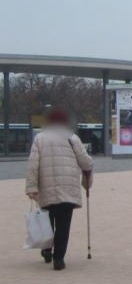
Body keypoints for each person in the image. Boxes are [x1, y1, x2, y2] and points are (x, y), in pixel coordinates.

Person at [25, 107, 93, 271]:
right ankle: (59, 259)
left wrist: (32, 187)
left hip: (46, 189)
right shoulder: (73, 138)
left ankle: (47, 249)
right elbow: (87, 163)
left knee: (47, 221)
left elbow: (33, 164)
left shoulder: (39, 138)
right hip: (68, 190)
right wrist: (87, 179)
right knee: (63, 225)